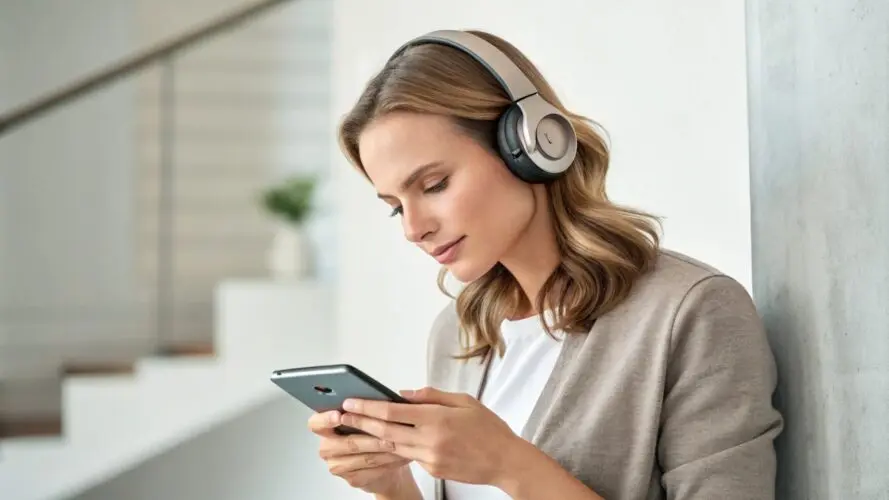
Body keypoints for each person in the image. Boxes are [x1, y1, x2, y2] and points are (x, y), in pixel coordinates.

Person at [308, 29, 784, 500]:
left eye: (434, 185)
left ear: (531, 145)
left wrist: (508, 464)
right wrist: (393, 487)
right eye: (396, 205)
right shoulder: (459, 334)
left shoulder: (690, 312)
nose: (413, 229)